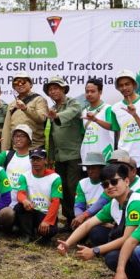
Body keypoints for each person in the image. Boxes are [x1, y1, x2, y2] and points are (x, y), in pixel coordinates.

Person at [58, 161, 140, 279]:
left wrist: (95, 251)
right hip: (134, 244)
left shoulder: (136, 202)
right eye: (105, 184)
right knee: (97, 232)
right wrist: (67, 243)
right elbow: (88, 224)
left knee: (112, 256)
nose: (110, 186)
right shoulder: (114, 203)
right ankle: (128, 276)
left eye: (114, 182)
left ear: (126, 181)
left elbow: (127, 238)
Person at [44, 76, 82, 221]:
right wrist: (50, 157)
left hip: (74, 155)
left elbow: (73, 111)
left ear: (63, 89)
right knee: (63, 189)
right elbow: (52, 136)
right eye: (50, 89)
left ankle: (78, 220)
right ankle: (67, 218)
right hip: (59, 157)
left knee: (73, 189)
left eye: (56, 88)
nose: (53, 91)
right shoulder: (52, 108)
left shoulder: (73, 102)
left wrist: (57, 115)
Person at [14, 148, 63, 244]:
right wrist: (24, 200)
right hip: (31, 210)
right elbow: (20, 193)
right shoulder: (24, 176)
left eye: (39, 159)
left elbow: (56, 201)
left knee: (51, 231)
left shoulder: (55, 178)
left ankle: (40, 235)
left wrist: (47, 221)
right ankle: (27, 235)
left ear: (45, 160)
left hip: (45, 213)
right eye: (33, 159)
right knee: (19, 207)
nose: (35, 162)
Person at [0, 126, 35, 231]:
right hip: (8, 200)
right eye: (16, 136)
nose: (18, 139)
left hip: (26, 201)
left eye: (22, 136)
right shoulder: (8, 154)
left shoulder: (34, 157)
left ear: (29, 139)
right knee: (6, 214)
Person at [111, 70, 140, 166]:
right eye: (121, 85)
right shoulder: (115, 108)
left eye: (127, 84)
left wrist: (135, 115)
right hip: (123, 157)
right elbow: (117, 134)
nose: (124, 88)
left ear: (134, 84)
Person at [1, 75, 48, 151]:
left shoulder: (39, 100)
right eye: (16, 83)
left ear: (31, 84)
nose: (20, 85)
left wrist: (26, 109)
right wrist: (4, 151)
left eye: (23, 82)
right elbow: (6, 129)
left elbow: (42, 118)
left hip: (35, 148)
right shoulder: (12, 104)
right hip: (17, 149)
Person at [72, 152, 110, 233]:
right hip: (86, 217)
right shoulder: (82, 183)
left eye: (93, 168)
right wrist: (79, 217)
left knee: (96, 233)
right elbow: (78, 205)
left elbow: (102, 202)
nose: (90, 171)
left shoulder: (109, 182)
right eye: (88, 168)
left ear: (101, 168)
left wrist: (84, 216)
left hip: (104, 218)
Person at [81, 78, 118, 161]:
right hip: (87, 156)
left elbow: (112, 126)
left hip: (104, 154)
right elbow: (83, 134)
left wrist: (95, 120)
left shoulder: (108, 108)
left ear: (100, 92)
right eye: (87, 91)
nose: (89, 94)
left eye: (93, 91)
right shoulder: (84, 111)